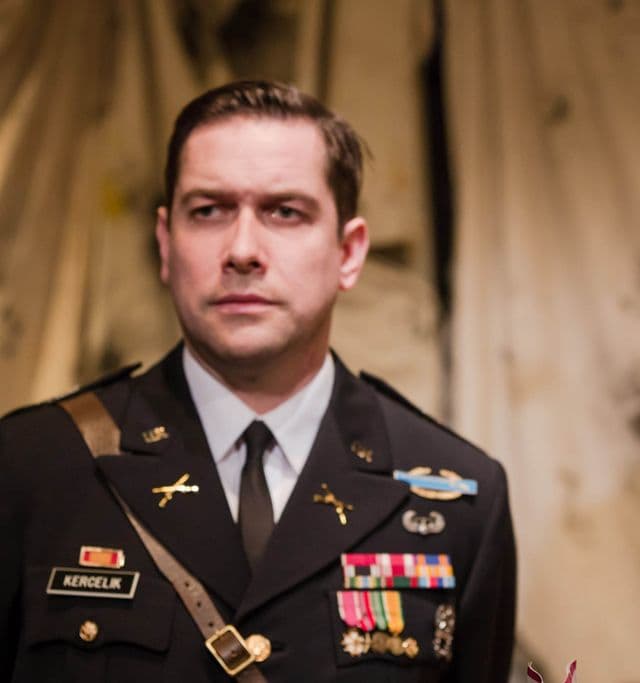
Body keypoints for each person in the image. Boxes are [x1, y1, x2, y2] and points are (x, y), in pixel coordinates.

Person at [0, 81, 515, 682]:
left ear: (349, 253)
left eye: (284, 212)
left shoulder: (457, 499)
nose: (242, 250)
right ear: (166, 244)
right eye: (209, 211)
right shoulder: (35, 467)